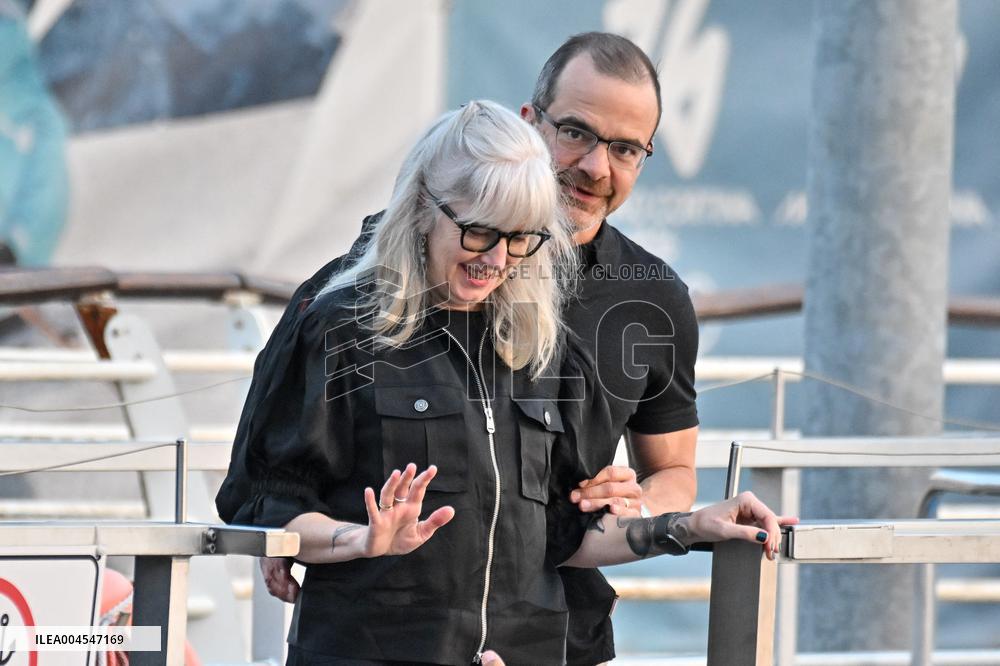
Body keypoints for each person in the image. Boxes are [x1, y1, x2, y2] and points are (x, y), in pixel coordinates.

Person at [218, 100, 794, 665]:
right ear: (422, 207)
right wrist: (360, 540)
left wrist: (692, 526)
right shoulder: (340, 325)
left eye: (522, 239)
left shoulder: (544, 345)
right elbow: (265, 503)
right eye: (479, 233)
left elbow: (567, 535)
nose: (498, 258)